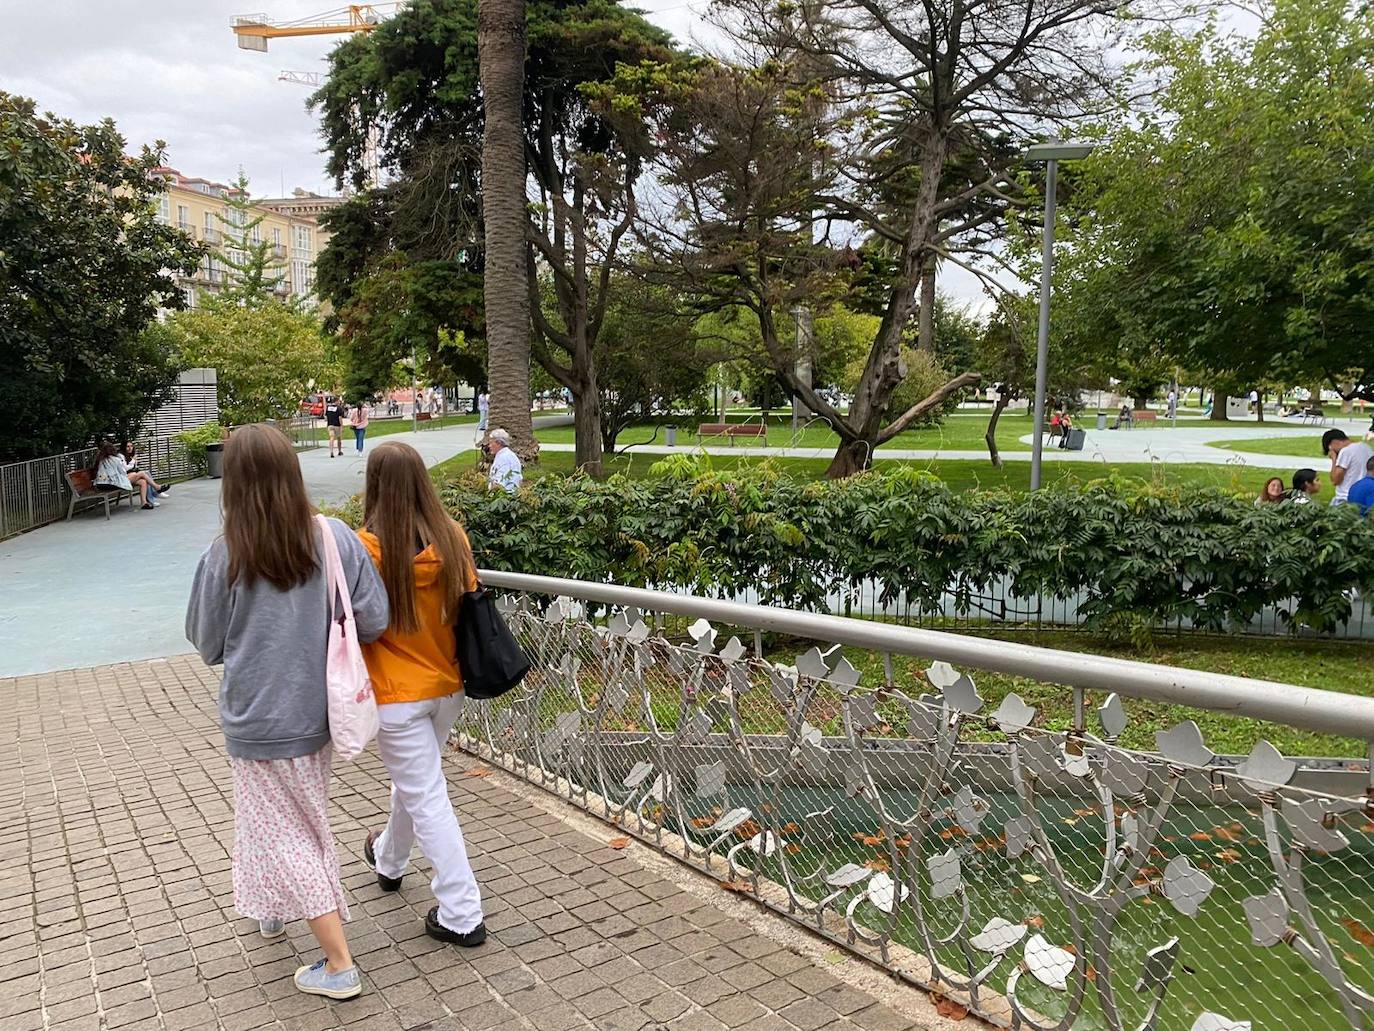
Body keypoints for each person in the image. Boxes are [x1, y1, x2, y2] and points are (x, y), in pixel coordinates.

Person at [185, 424, 389, 1001]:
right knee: (289, 818)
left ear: (234, 481)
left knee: (287, 833)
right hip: (320, 711)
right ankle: (270, 906)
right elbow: (374, 619)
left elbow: (206, 642)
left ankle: (338, 962)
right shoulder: (335, 538)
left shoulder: (225, 552)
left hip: (256, 716)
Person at [356, 442, 488, 947]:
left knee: (428, 795)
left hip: (396, 693)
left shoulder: (366, 548)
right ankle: (389, 858)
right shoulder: (453, 538)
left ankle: (462, 911)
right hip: (447, 685)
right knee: (419, 782)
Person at [92, 440, 156, 510]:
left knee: (142, 481)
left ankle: (144, 503)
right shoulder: (115, 460)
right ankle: (157, 487)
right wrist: (132, 473)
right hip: (112, 484)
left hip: (100, 484)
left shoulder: (100, 460)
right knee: (141, 473)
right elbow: (123, 473)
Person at [1321, 428, 1374, 506]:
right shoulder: (1366, 447)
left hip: (1345, 498)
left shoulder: (1345, 451)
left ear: (1333, 442)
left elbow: (1335, 480)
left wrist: (1334, 459)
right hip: (1363, 494)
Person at [120, 441, 170, 507]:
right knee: (143, 473)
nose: (130, 448)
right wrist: (133, 461)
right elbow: (125, 468)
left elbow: (134, 467)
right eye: (127, 446)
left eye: (131, 446)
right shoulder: (121, 456)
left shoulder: (130, 455)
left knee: (143, 481)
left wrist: (134, 462)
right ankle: (157, 489)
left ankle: (145, 502)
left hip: (132, 475)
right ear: (124, 447)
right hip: (125, 477)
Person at [485, 428, 523, 493]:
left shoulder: (504, 458)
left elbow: (500, 484)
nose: (489, 446)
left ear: (499, 443)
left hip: (505, 497)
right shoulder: (505, 455)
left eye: (491, 443)